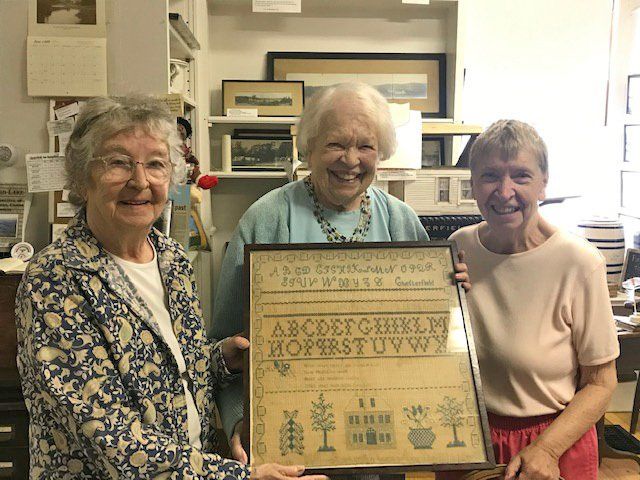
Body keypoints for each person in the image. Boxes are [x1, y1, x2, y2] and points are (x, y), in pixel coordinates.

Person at [15, 95, 327, 480]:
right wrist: (241, 476)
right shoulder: (56, 277)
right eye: (118, 163)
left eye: (156, 164)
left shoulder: (171, 259)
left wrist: (221, 360)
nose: (140, 181)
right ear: (82, 177)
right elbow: (111, 437)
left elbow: (170, 374)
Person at [211, 81, 470, 462]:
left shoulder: (401, 221)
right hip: (290, 437)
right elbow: (225, 344)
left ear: (381, 152)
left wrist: (452, 296)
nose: (350, 160)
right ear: (309, 146)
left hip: (391, 435)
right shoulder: (266, 219)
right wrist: (239, 420)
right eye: (335, 144)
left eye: (366, 146)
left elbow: (433, 339)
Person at [437, 120, 619, 480]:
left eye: (521, 176)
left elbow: (601, 382)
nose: (504, 191)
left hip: (552, 444)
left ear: (543, 183)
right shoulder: (458, 247)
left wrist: (547, 449)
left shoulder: (579, 263)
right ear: (473, 184)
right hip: (468, 436)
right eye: (490, 176)